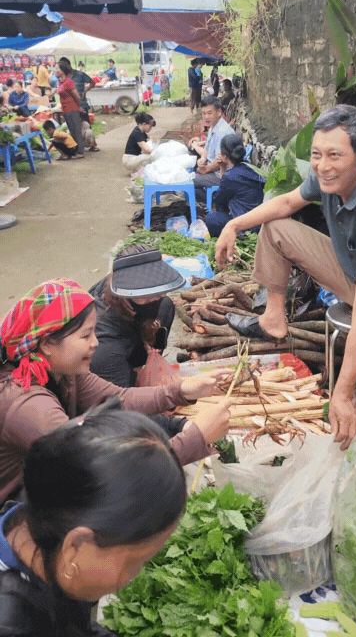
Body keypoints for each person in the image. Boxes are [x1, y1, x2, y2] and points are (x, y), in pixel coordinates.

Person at [216, 104, 356, 450]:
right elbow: (286, 204)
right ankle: (273, 319)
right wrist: (234, 224)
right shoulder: (328, 176)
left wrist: (341, 393)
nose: (322, 165)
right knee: (276, 227)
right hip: (351, 266)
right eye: (316, 154)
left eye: (334, 155)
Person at [0, 278, 232, 507]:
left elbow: (120, 399)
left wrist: (183, 390)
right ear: (47, 343)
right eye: (85, 335)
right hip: (16, 511)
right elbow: (103, 472)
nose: (95, 342)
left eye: (94, 332)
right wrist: (195, 439)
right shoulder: (28, 405)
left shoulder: (61, 369)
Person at [0, 398, 186, 636]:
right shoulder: (11, 624)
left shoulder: (46, 530)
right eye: (137, 562)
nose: (134, 577)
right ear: (76, 546)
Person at [90, 244, 181, 387]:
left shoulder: (120, 280)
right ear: (126, 291)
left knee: (165, 305)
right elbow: (120, 399)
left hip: (131, 331)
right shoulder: (105, 345)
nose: (161, 295)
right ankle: (132, 376)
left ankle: (147, 366)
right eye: (149, 292)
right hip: (109, 370)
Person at [206, 134, 265, 237]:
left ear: (224, 156)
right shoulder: (251, 167)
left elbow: (220, 202)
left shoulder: (230, 177)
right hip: (259, 221)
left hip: (246, 227)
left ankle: (226, 239)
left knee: (212, 218)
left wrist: (223, 169)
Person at [191, 96, 235, 203]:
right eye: (204, 113)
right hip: (213, 169)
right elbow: (207, 149)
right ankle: (211, 201)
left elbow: (220, 160)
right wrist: (202, 160)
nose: (206, 117)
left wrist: (206, 169)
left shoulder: (223, 131)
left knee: (189, 180)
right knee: (194, 170)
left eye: (210, 113)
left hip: (223, 174)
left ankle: (214, 202)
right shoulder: (213, 127)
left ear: (219, 112)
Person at [56, 60, 85, 159]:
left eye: (57, 68)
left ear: (62, 70)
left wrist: (77, 107)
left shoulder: (68, 82)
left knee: (76, 130)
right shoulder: (61, 82)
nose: (55, 70)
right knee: (72, 130)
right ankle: (75, 150)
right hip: (65, 110)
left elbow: (77, 97)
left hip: (72, 109)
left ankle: (80, 151)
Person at [59, 56, 96, 126]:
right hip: (70, 107)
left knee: (86, 126)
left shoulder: (80, 74)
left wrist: (85, 91)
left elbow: (92, 82)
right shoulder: (63, 78)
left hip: (82, 104)